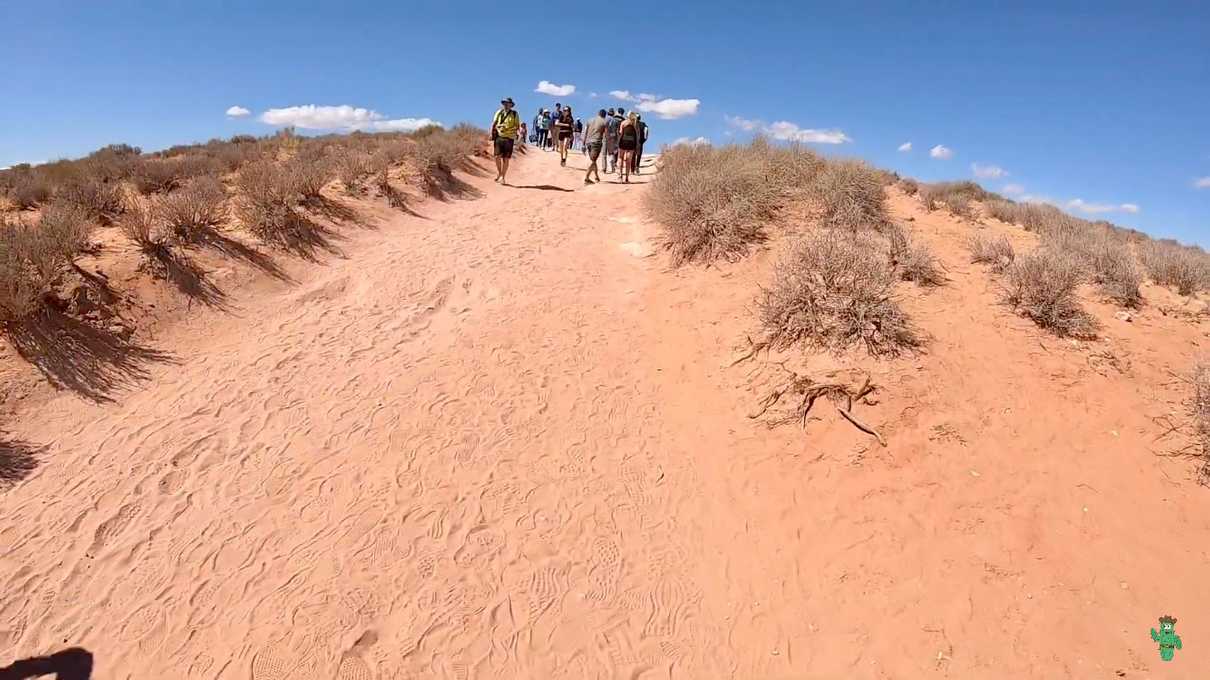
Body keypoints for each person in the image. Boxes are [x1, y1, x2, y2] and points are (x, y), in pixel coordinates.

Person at [490, 97, 521, 184]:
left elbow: (517, 126)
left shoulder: (514, 114)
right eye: (505, 103)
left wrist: (518, 133)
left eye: (508, 104)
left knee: (506, 159)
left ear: (511, 105)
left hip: (509, 138)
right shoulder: (499, 112)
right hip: (499, 136)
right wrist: (491, 133)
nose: (506, 105)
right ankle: (500, 173)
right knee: (496, 157)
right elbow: (494, 123)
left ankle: (503, 177)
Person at [582, 108, 607, 184]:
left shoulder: (590, 120)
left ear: (598, 113)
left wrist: (583, 143)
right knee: (592, 161)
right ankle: (586, 178)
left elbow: (585, 132)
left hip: (588, 142)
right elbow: (606, 135)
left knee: (593, 160)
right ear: (604, 115)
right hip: (596, 142)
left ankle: (596, 176)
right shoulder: (604, 122)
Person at [617, 111, 639, 183]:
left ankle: (620, 176)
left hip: (623, 142)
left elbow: (620, 133)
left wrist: (617, 142)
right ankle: (626, 178)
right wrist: (637, 145)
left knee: (620, 158)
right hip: (631, 144)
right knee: (628, 161)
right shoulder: (635, 124)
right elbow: (637, 135)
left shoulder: (623, 123)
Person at [604, 107, 620, 173]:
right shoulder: (615, 120)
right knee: (611, 153)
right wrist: (617, 140)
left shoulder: (605, 119)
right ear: (613, 114)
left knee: (604, 153)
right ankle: (612, 168)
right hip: (613, 137)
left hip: (606, 136)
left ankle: (604, 168)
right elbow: (617, 131)